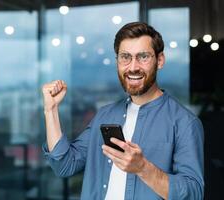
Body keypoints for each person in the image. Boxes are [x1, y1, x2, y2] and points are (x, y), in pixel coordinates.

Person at [41, 22, 204, 200]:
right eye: (125, 57)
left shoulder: (185, 123)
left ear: (160, 60)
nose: (133, 67)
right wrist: (51, 109)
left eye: (143, 57)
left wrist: (143, 168)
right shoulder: (104, 115)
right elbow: (65, 165)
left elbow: (193, 194)